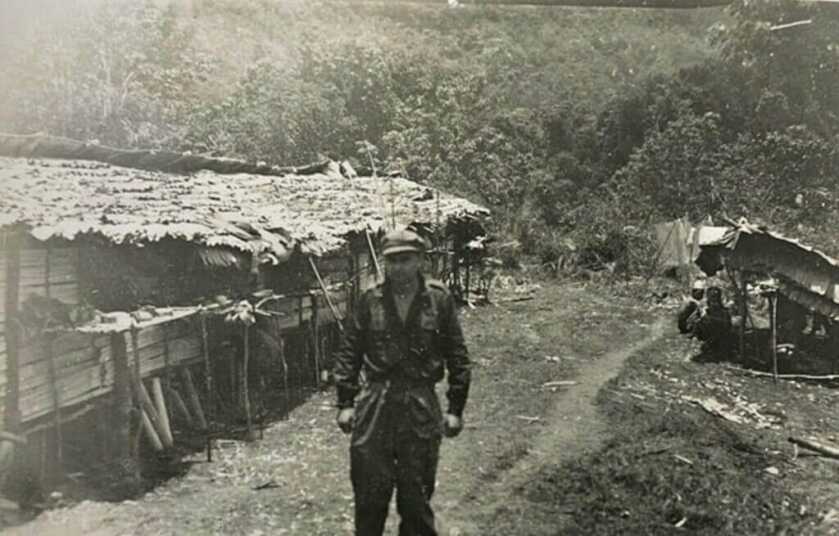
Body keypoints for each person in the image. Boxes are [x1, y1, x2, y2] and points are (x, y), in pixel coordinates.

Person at [333, 227, 472, 536]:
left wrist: (455, 408)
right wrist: (345, 402)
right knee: (369, 495)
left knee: (416, 498)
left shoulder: (438, 300)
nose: (398, 267)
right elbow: (349, 352)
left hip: (420, 405)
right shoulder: (370, 299)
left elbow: (457, 356)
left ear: (420, 260)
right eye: (392, 261)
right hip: (376, 406)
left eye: (406, 260)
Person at [693, 286, 733, 360]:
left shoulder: (724, 312)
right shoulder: (706, 311)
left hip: (722, 341)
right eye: (711, 297)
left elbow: (727, 326)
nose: (713, 300)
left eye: (715, 297)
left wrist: (711, 319)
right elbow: (695, 324)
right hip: (708, 340)